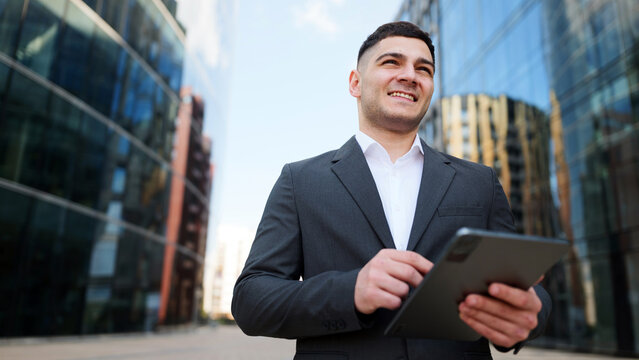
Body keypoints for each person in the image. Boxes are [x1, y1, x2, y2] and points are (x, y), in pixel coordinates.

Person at [232, 21, 551, 360]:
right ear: (355, 83)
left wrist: (532, 313)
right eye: (392, 62)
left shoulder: (480, 182)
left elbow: (526, 289)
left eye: (423, 69)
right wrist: (350, 291)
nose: (410, 75)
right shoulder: (299, 181)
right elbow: (251, 299)